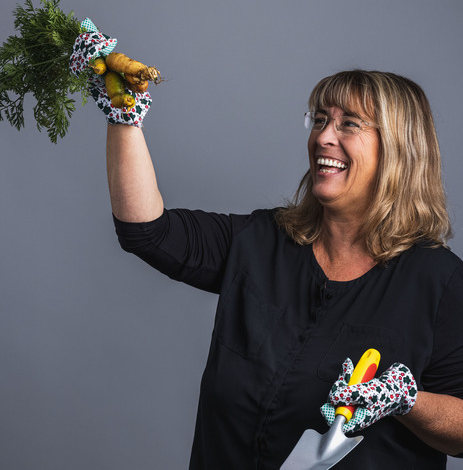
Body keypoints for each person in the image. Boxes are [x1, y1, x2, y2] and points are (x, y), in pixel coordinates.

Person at [70, 32, 463, 469]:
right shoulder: (261, 240)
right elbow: (147, 231)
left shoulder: (439, 282)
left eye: (349, 124)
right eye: (320, 120)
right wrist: (125, 116)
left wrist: (406, 400)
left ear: (399, 150)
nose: (323, 137)